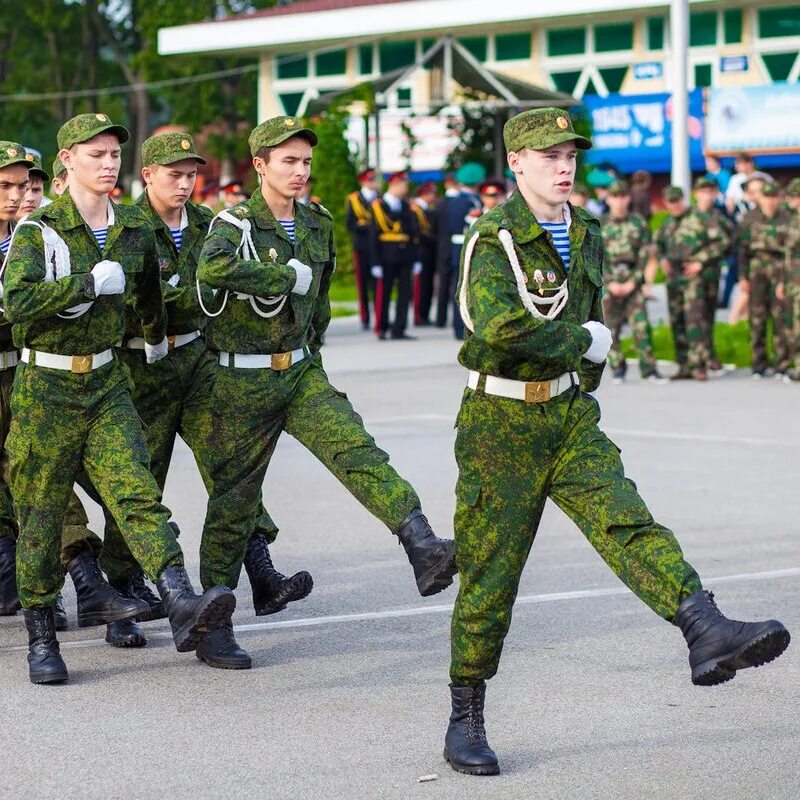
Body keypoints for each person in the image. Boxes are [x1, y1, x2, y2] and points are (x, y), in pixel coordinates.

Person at [443, 108, 789, 776]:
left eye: (569, 154)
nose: (563, 166)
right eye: (547, 156)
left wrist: (585, 369)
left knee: (626, 520)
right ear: (516, 163)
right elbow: (496, 327)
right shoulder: (495, 237)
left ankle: (702, 626)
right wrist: (582, 343)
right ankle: (465, 715)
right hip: (500, 426)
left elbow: (592, 311)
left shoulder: (588, 231)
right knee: (490, 576)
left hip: (569, 415)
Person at [195, 115, 456, 647]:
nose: (300, 172)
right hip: (243, 382)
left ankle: (422, 544)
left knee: (357, 450)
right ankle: (213, 623)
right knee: (233, 502)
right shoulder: (234, 226)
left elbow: (322, 294)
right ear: (260, 165)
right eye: (288, 161)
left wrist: (311, 345)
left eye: (306, 162)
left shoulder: (317, 221)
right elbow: (211, 273)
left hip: (300, 370)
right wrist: (283, 277)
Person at [2, 114, 236, 684]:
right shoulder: (40, 229)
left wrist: (155, 342)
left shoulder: (133, 227)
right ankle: (40, 633)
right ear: (66, 162)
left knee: (136, 493)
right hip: (46, 388)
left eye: (113, 154)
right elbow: (16, 302)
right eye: (95, 154)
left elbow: (150, 297)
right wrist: (86, 284)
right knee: (40, 511)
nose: (108, 164)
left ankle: (179, 596)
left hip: (107, 384)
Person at [94, 131, 309, 661]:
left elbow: (219, 293)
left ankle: (252, 576)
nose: (186, 184)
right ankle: (121, 592)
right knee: (143, 483)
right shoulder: (127, 229)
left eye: (192, 174)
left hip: (195, 360)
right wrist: (195, 299)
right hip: (140, 367)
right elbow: (130, 304)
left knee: (231, 467)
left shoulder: (210, 225)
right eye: (174, 174)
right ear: (147, 176)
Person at [664, 177, 732, 381]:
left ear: (684, 199)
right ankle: (684, 365)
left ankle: (699, 365)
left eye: (677, 200)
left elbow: (723, 241)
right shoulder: (667, 223)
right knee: (677, 320)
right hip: (673, 276)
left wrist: (700, 261)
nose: (675, 204)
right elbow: (656, 244)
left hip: (694, 275)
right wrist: (661, 259)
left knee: (696, 319)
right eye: (671, 201)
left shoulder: (700, 217)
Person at [600, 179, 663, 383]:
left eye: (622, 196)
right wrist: (609, 282)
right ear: (608, 199)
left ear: (628, 198)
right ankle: (618, 368)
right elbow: (595, 257)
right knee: (610, 330)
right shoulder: (600, 224)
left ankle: (649, 370)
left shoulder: (638, 222)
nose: (619, 201)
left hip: (632, 282)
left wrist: (633, 282)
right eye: (614, 197)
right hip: (610, 284)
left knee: (641, 328)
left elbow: (645, 255)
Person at [737, 181, 794, 378]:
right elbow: (742, 250)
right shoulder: (750, 218)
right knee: (757, 318)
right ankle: (758, 364)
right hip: (757, 270)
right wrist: (742, 276)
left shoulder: (788, 218)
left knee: (781, 318)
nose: (770, 201)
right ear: (760, 198)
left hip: (780, 270)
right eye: (766, 197)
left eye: (773, 197)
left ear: (779, 198)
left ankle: (782, 364)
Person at [369, 171, 421, 341]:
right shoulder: (378, 206)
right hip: (386, 256)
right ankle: (382, 327)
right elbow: (373, 235)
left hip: (405, 255)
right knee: (384, 293)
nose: (405, 188)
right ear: (394, 185)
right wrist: (375, 262)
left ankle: (399, 328)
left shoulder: (406, 206)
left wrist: (416, 259)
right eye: (403, 185)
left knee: (405, 293)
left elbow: (414, 233)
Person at [436, 162, 484, 339]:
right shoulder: (470, 202)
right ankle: (460, 327)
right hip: (466, 248)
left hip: (458, 249)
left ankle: (461, 327)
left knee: (462, 290)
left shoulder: (455, 201)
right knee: (464, 292)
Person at [344, 168, 379, 331]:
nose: (373, 183)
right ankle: (365, 318)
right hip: (362, 245)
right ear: (363, 182)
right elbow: (350, 224)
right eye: (370, 180)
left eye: (374, 180)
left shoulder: (379, 199)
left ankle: (379, 316)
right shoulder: (354, 199)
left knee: (377, 283)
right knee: (362, 283)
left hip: (378, 246)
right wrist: (367, 226)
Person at [410, 181, 438, 326]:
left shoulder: (426, 208)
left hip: (428, 252)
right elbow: (419, 233)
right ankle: (419, 315)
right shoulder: (416, 209)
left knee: (428, 285)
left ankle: (425, 314)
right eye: (432, 193)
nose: (434, 196)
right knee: (421, 286)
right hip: (420, 252)